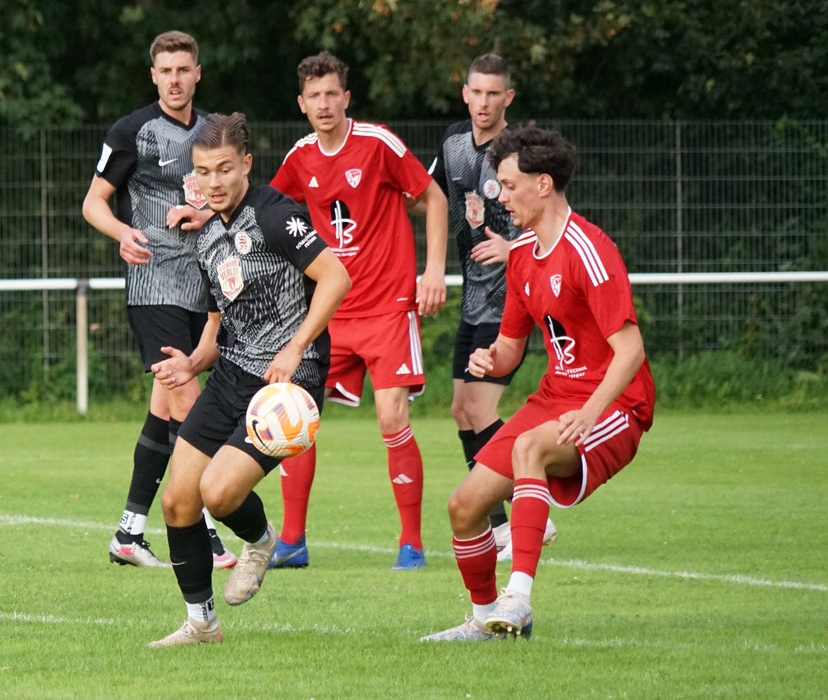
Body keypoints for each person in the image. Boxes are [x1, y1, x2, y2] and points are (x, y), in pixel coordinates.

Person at [421, 125, 655, 642]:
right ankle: (486, 619)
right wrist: (489, 359)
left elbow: (631, 351)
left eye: (509, 185)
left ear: (543, 184)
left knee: (529, 447)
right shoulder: (523, 253)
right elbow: (510, 347)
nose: (501, 197)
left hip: (615, 405)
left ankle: (519, 598)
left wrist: (589, 413)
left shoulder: (588, 250)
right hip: (556, 397)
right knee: (464, 507)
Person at [147, 112, 351, 647]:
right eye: (203, 171)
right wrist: (193, 363)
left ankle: (260, 541)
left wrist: (295, 347)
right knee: (177, 501)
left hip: (288, 383)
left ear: (246, 165)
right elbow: (222, 320)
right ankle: (201, 624)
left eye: (224, 169)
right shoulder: (206, 233)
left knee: (217, 493)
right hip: (232, 375)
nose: (214, 181)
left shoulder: (276, 215)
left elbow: (336, 277)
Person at [268, 51, 448, 571]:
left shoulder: (377, 143)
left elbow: (434, 198)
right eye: (314, 96)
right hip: (330, 312)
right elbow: (263, 211)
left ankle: (411, 543)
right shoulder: (300, 157)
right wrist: (206, 212)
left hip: (388, 307)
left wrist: (434, 271)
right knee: (297, 412)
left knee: (391, 416)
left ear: (346, 98)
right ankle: (292, 542)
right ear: (301, 104)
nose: (324, 104)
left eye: (332, 94)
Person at [81, 30, 235, 569]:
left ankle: (129, 533)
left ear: (197, 73)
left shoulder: (214, 134)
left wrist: (206, 213)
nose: (175, 79)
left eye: (183, 69)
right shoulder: (132, 131)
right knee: (190, 400)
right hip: (153, 284)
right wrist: (122, 232)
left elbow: (233, 200)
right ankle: (205, 529)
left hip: (203, 285)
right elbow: (93, 203)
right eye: (165, 70)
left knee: (163, 410)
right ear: (153, 76)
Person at [429, 54, 556, 561]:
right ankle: (500, 528)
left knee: (480, 409)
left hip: (509, 302)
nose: (484, 102)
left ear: (508, 98)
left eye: (493, 94)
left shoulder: (520, 153)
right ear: (466, 94)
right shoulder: (454, 143)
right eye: (476, 92)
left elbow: (552, 215)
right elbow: (429, 196)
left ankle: (532, 509)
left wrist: (513, 248)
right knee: (462, 410)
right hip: (474, 301)